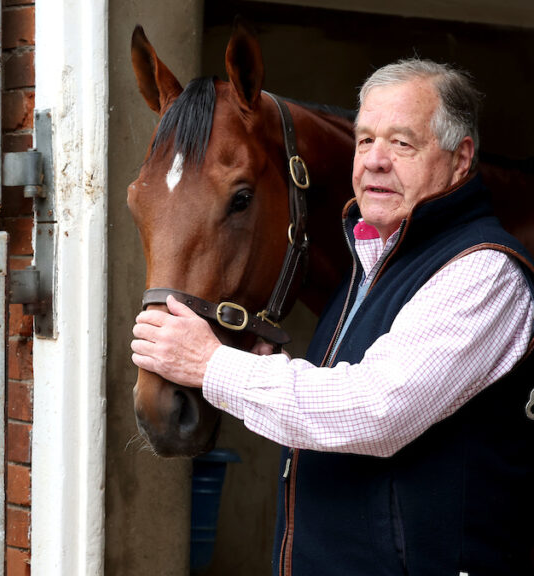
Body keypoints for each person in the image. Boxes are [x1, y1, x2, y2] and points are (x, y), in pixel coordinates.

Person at [131, 58, 534, 575]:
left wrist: (212, 366)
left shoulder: (482, 272)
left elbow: (376, 411)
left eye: (402, 143)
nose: (374, 161)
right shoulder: (368, 268)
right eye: (365, 141)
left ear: (461, 158)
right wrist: (269, 372)